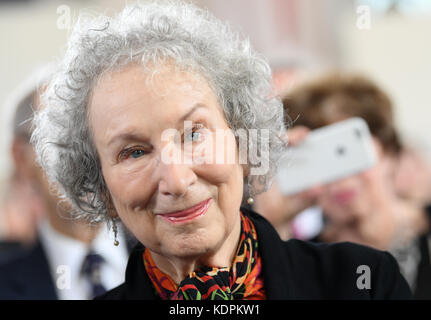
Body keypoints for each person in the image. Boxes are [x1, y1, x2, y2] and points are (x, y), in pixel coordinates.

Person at [31, 1, 411, 299]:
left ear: (242, 140)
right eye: (134, 152)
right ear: (100, 189)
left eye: (194, 133)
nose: (177, 180)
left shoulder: (364, 283)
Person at [256, 73, 430, 297]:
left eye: (343, 151)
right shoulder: (305, 264)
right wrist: (272, 225)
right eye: (319, 161)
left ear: (389, 151)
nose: (340, 180)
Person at [0, 68, 133, 299]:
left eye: (92, 133)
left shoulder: (171, 257)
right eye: (61, 138)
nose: (84, 155)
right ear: (21, 157)